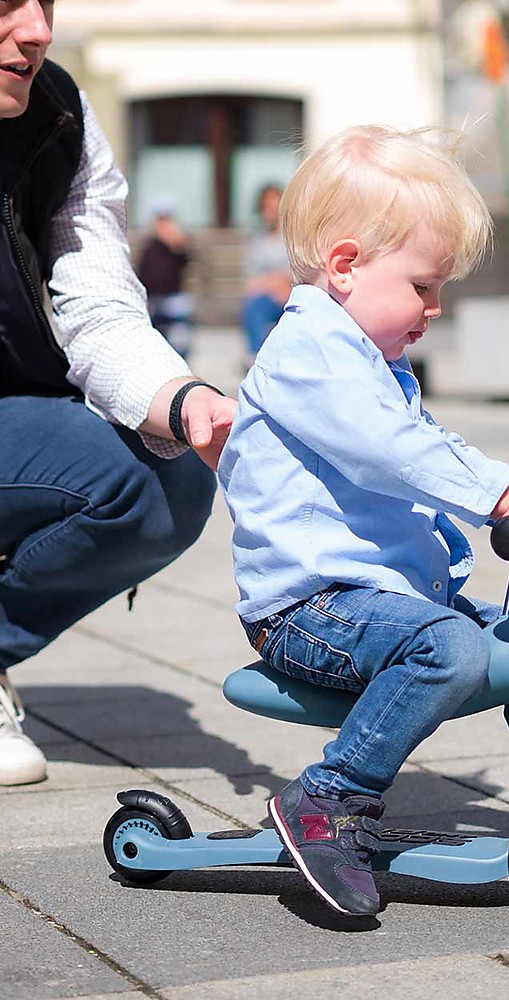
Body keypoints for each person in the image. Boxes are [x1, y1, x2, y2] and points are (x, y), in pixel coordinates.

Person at [218, 124, 509, 917]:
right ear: (346, 265)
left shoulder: (371, 355)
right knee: (448, 645)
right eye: (423, 285)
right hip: (307, 611)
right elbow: (391, 451)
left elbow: (423, 441)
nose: (435, 308)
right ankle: (327, 799)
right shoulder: (308, 352)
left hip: (375, 604)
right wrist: (498, 495)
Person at [0, 1, 236, 786]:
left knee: (164, 481)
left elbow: (97, 303)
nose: (35, 29)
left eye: (45, 1)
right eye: (5, 3)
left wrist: (176, 398)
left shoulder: (58, 115)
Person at [239, 183, 293, 365]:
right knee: (254, 305)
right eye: (267, 206)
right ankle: (254, 356)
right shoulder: (256, 238)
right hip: (268, 292)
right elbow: (251, 277)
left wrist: (284, 284)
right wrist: (274, 283)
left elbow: (297, 269)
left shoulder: (292, 235)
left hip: (291, 291)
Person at [136, 196, 195, 360]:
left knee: (180, 341)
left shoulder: (178, 242)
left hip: (174, 298)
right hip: (154, 300)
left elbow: (188, 262)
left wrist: (178, 245)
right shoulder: (149, 245)